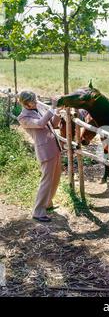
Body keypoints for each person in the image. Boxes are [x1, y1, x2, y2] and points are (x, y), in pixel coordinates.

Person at [17, 91, 62, 222]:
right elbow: (41, 123)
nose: (36, 102)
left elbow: (52, 124)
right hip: (45, 152)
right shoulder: (23, 118)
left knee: (56, 178)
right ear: (26, 103)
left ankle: (48, 203)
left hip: (55, 148)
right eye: (33, 101)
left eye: (36, 99)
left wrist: (57, 112)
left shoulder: (39, 107)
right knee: (46, 181)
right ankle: (38, 211)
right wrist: (52, 108)